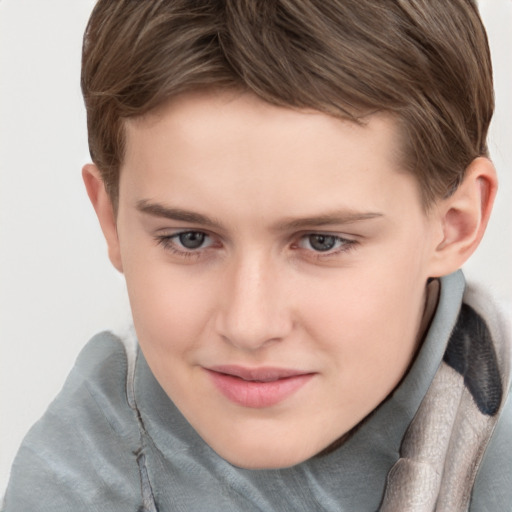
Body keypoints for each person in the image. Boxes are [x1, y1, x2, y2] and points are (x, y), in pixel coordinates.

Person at [3, 0, 511, 510]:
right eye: (190, 238)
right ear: (111, 220)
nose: (249, 325)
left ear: (454, 226)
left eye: (322, 242)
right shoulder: (78, 467)